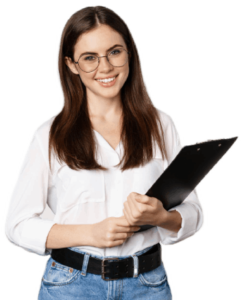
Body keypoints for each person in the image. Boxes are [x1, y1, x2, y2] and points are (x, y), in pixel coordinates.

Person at [4, 5, 204, 300]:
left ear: (129, 53)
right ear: (71, 64)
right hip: (71, 286)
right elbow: (17, 225)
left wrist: (162, 216)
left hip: (147, 285)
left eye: (114, 52)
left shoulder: (161, 124)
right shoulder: (49, 135)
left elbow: (194, 213)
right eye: (89, 58)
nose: (106, 68)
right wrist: (90, 234)